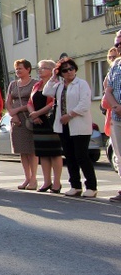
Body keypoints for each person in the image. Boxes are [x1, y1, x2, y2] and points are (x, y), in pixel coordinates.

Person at [43, 57, 95, 197]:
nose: (69, 72)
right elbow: (46, 92)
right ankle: (75, 186)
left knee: (81, 156)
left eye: (71, 69)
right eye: (65, 70)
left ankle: (91, 186)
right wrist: (53, 76)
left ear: (75, 69)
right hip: (64, 126)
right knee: (70, 156)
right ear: (61, 73)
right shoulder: (59, 86)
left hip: (79, 125)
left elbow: (84, 104)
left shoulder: (81, 84)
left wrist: (70, 115)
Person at [28, 59, 63, 193]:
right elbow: (30, 102)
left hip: (50, 121)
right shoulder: (37, 85)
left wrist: (38, 113)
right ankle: (46, 181)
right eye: (39, 68)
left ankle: (57, 183)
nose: (40, 70)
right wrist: (33, 115)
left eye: (43, 68)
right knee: (43, 153)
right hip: (37, 122)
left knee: (54, 153)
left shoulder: (56, 84)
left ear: (52, 70)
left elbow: (52, 103)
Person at [6, 59, 38, 190]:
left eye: (20, 68)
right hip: (16, 120)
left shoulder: (35, 83)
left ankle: (34, 179)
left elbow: (33, 101)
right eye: (16, 69)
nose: (18, 71)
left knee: (31, 150)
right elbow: (8, 102)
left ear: (28, 69)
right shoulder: (13, 84)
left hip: (28, 118)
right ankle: (27, 178)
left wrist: (18, 110)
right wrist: (13, 115)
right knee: (22, 151)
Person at [103, 32, 121, 202]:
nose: (118, 47)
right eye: (116, 44)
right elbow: (108, 90)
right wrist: (116, 106)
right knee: (120, 154)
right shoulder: (115, 65)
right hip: (117, 116)